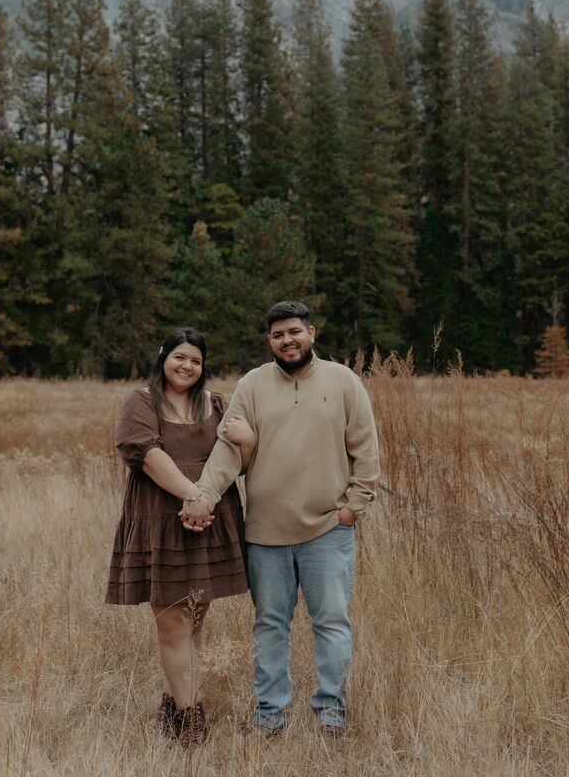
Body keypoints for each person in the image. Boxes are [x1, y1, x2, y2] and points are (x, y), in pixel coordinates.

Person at [180, 300, 379, 737]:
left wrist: (352, 508)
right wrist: (203, 497)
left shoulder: (343, 382)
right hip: (266, 534)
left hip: (327, 528)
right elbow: (228, 450)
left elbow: (366, 450)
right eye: (278, 335)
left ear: (312, 333)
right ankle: (269, 713)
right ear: (269, 341)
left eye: (295, 331)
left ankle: (331, 710)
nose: (288, 340)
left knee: (330, 621)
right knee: (270, 624)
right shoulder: (252, 385)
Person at [106, 327, 255, 746]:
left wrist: (249, 443)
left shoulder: (217, 404)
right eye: (179, 357)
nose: (187, 366)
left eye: (196, 360)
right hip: (162, 517)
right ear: (163, 357)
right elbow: (147, 455)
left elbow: (236, 462)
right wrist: (194, 495)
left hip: (210, 519)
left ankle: (171, 707)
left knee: (193, 620)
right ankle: (192, 720)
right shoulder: (141, 401)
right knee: (173, 625)